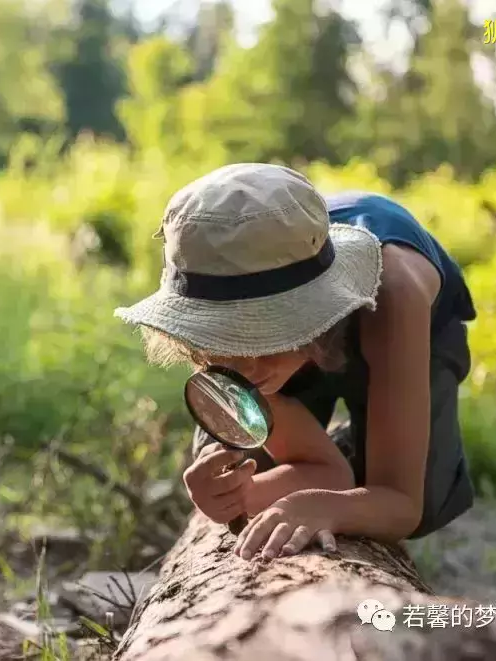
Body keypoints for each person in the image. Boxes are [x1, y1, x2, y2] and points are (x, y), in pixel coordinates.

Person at [113, 163, 477, 561]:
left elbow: (402, 505)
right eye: (223, 337)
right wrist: (239, 493)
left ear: (307, 310)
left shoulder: (395, 295)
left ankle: (362, 445)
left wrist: (326, 505)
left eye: (264, 336)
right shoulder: (214, 259)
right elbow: (311, 476)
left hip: (401, 323)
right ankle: (346, 448)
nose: (244, 368)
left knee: (423, 495)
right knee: (247, 457)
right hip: (291, 291)